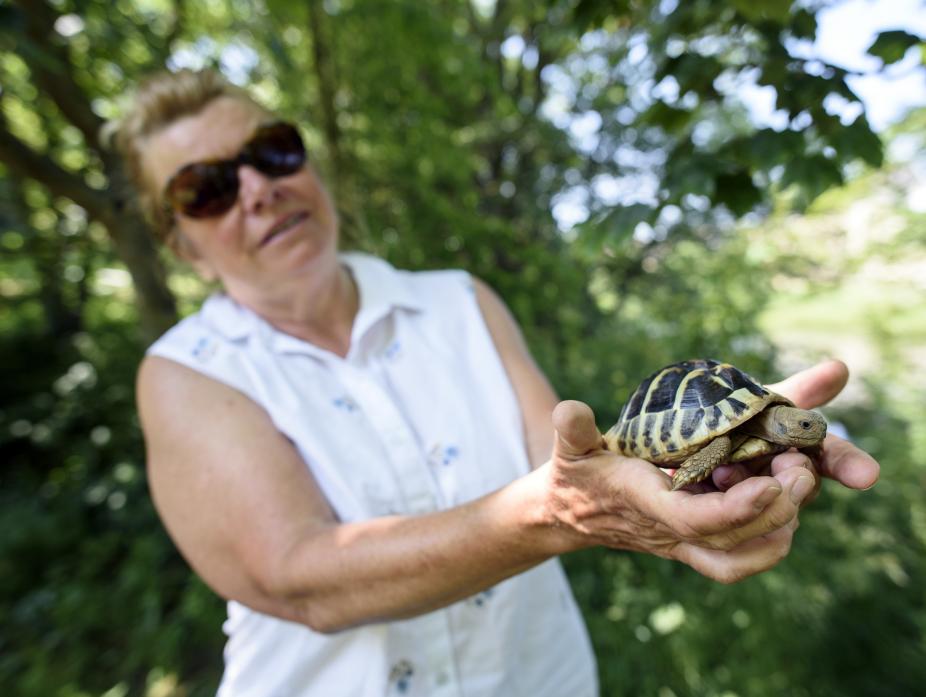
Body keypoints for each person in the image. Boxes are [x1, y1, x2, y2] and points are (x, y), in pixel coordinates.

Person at [113, 69, 879, 697]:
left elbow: (580, 464)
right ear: (181, 244)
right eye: (205, 189)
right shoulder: (186, 374)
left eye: (272, 151)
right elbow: (301, 579)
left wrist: (725, 452)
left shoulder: (461, 301)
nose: (257, 188)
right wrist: (564, 512)